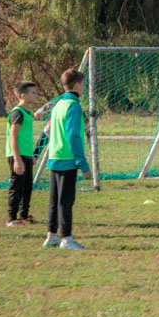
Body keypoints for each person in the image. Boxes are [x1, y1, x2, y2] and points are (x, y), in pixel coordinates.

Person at [44, 68, 91, 250]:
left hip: (54, 157)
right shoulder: (74, 106)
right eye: (83, 84)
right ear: (78, 85)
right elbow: (73, 136)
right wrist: (82, 163)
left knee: (55, 200)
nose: (84, 88)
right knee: (66, 201)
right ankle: (67, 240)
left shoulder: (58, 105)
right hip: (67, 159)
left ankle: (51, 236)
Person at [6, 81, 42, 226]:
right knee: (17, 186)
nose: (35, 94)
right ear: (23, 95)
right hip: (17, 156)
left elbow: (25, 137)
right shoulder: (17, 113)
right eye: (32, 92)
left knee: (27, 186)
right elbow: (13, 137)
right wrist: (17, 159)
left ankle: (24, 215)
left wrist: (30, 154)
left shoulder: (27, 113)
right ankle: (12, 218)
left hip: (25, 155)